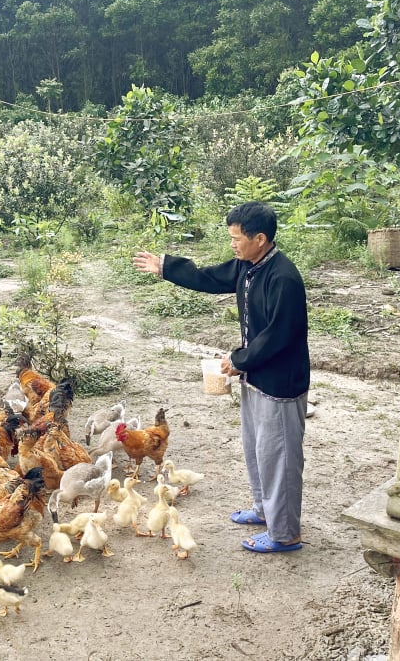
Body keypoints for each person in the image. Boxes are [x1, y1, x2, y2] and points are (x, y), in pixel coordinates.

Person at [132, 201, 309, 554]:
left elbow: (279, 334)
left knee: (280, 458)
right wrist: (165, 267)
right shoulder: (248, 266)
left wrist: (239, 360)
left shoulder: (283, 278)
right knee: (257, 450)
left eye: (237, 238)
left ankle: (286, 533)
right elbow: (210, 277)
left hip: (280, 384)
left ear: (260, 239)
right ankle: (264, 511)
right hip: (257, 376)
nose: (232, 244)